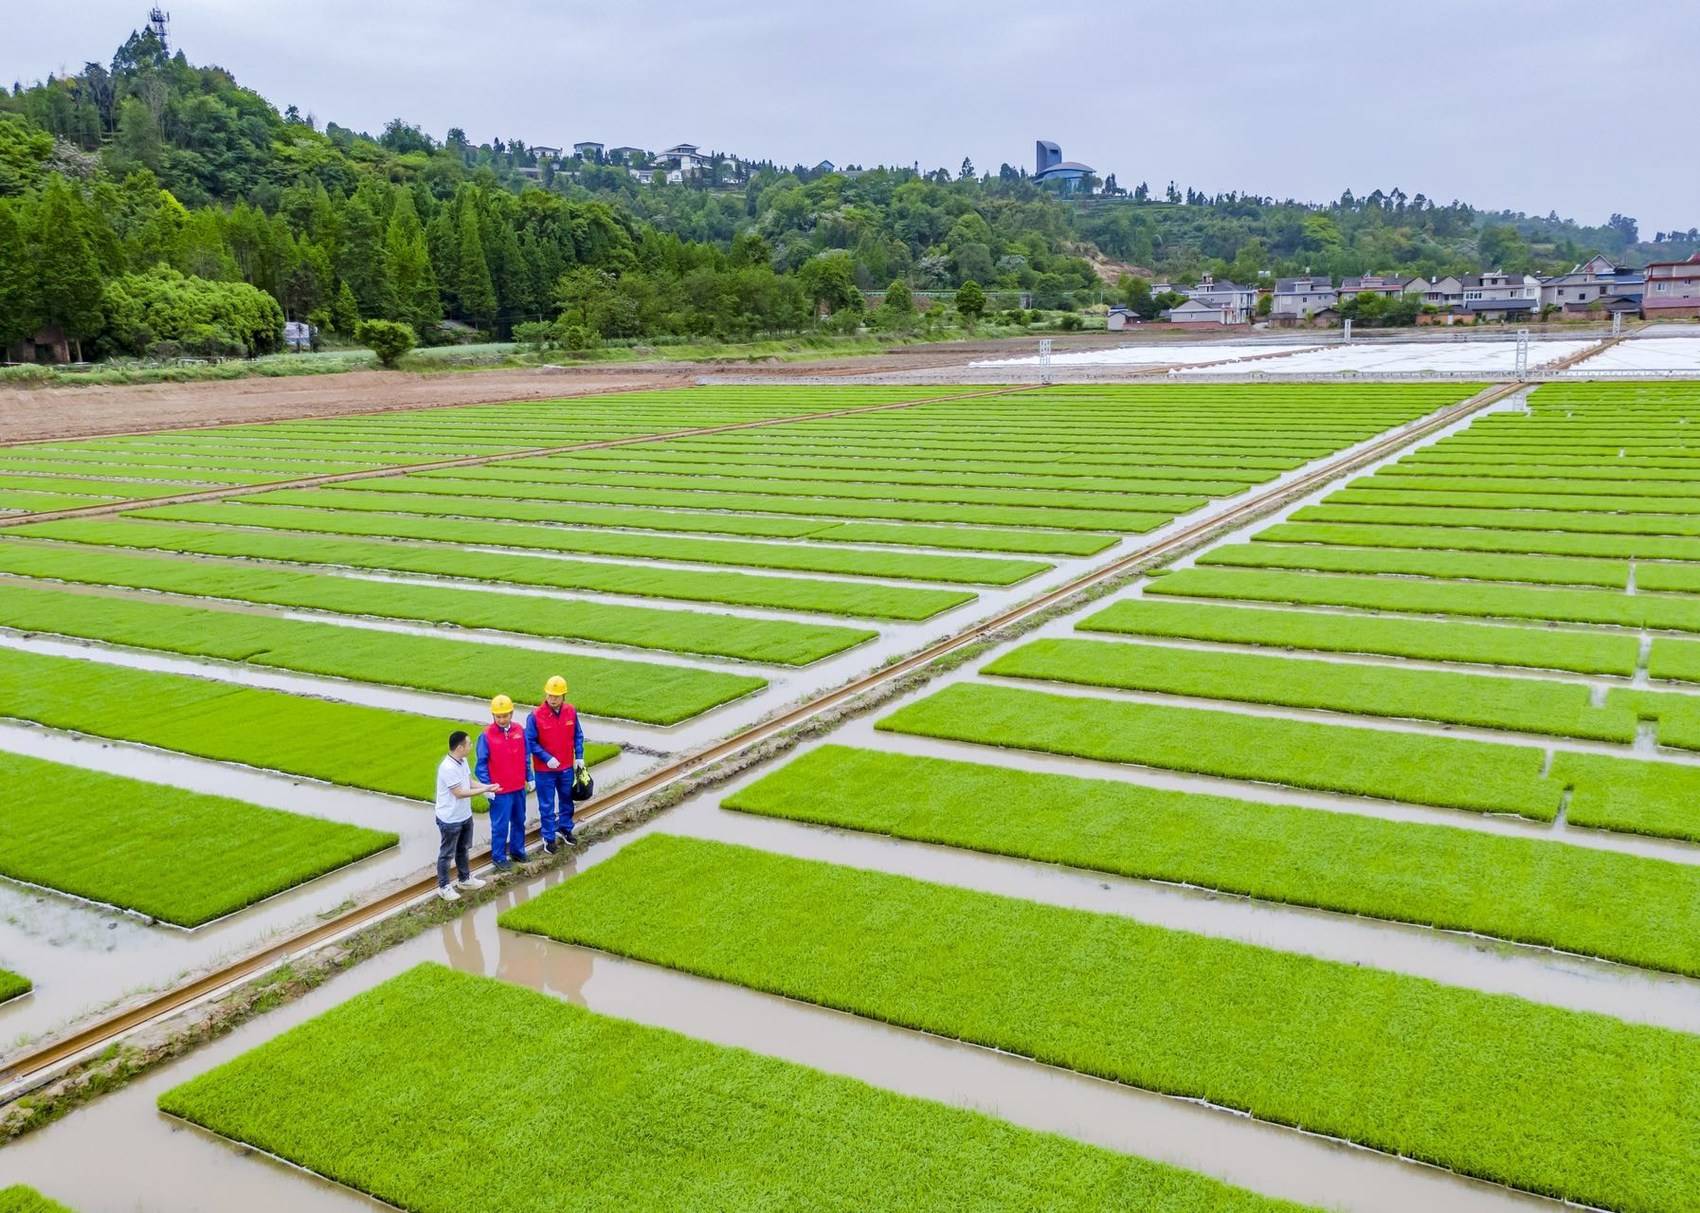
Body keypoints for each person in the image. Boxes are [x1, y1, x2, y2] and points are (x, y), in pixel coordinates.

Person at [525, 674, 587, 852]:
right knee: (547, 805)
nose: (552, 699)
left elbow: (577, 735)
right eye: (550, 695)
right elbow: (530, 742)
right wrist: (547, 758)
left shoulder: (571, 711)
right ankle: (548, 837)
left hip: (566, 767)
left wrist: (579, 756)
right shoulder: (535, 716)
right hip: (545, 770)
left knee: (567, 800)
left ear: (563, 696)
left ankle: (565, 829)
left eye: (556, 696)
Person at [435, 730, 495, 902]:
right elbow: (459, 792)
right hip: (450, 819)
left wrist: (487, 787)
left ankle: (464, 879)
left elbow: (468, 782)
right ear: (460, 747)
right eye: (469, 744)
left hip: (464, 815)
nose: (471, 746)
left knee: (463, 848)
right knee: (447, 854)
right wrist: (483, 790)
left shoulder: (463, 761)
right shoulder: (447, 767)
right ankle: (444, 887)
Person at [475, 694, 533, 871]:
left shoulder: (519, 731)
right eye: (498, 716)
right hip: (499, 790)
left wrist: (529, 777)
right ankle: (499, 857)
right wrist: (487, 787)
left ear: (511, 713)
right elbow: (481, 764)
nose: (501, 720)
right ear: (493, 715)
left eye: (505, 716)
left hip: (518, 787)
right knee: (500, 825)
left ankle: (517, 851)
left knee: (519, 820)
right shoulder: (486, 735)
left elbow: (526, 756)